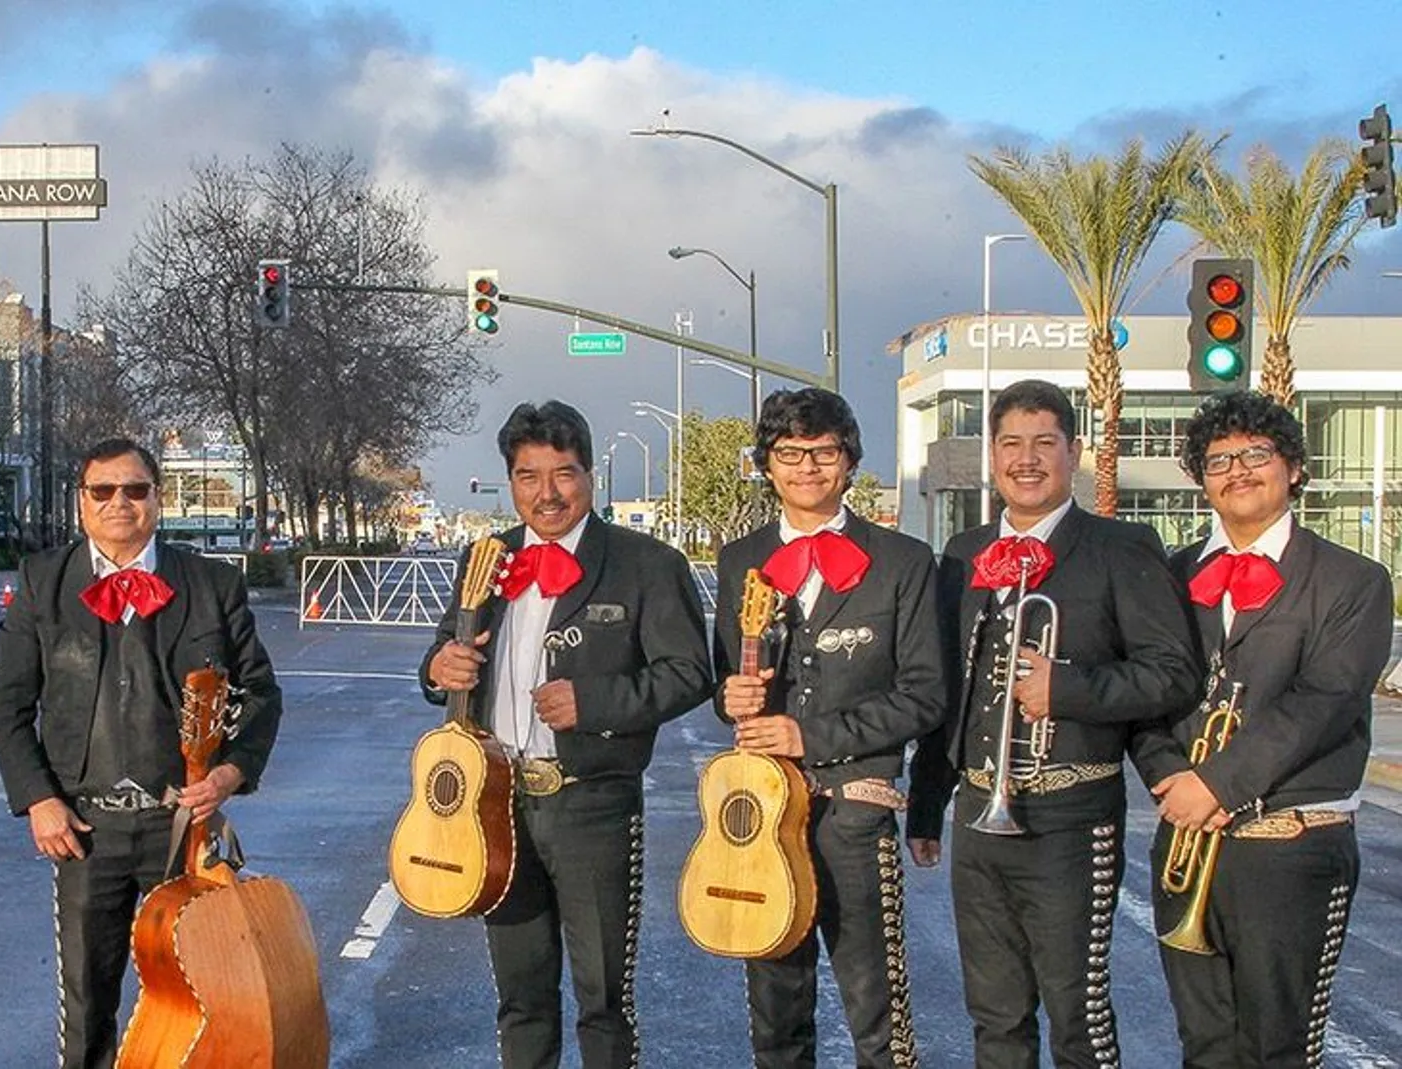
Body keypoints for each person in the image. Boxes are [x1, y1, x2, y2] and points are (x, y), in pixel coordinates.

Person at [908, 379, 1198, 1068]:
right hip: (980, 813)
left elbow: (1172, 671)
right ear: (992, 456)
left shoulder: (1120, 546)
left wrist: (1066, 687)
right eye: (1011, 443)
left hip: (1071, 815)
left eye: (1045, 443)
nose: (1026, 459)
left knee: (1077, 1011)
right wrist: (926, 806)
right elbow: (952, 687)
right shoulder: (963, 552)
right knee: (994, 1013)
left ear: (1074, 451)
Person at [422, 400, 712, 1068]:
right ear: (510, 479)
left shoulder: (646, 562)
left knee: (603, 997)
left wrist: (595, 699)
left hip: (593, 802)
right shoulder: (485, 556)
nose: (546, 492)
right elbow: (444, 652)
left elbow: (690, 673)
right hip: (496, 804)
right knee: (521, 994)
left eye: (564, 473)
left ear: (590, 475)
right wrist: (438, 668)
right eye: (528, 475)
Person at [0, 436, 283, 1069]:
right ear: (82, 503)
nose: (120, 502)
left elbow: (261, 693)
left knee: (196, 995)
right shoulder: (44, 582)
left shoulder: (211, 582)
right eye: (103, 491)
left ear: (156, 497)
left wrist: (230, 773)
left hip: (180, 823)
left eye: (136, 489)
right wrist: (40, 800)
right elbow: (8, 707)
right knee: (87, 1003)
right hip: (84, 828)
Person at [1130, 390, 1391, 1066]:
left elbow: (1326, 699)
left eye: (1256, 454)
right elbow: (1148, 692)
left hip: (1292, 847)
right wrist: (1168, 776)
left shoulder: (1353, 579)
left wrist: (1216, 782)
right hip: (1185, 837)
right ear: (1200, 478)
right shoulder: (1172, 573)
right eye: (1219, 460)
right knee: (1206, 1044)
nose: (1238, 470)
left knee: (1278, 1048)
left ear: (1294, 467)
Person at [711, 388, 945, 1068]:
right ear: (766, 464)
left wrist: (809, 735)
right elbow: (730, 689)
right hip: (760, 812)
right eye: (789, 453)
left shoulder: (903, 561)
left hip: (855, 809)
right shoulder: (740, 561)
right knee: (776, 1014)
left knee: (878, 1014)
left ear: (850, 461)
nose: (807, 467)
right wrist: (730, 697)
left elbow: (925, 696)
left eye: (824, 452)